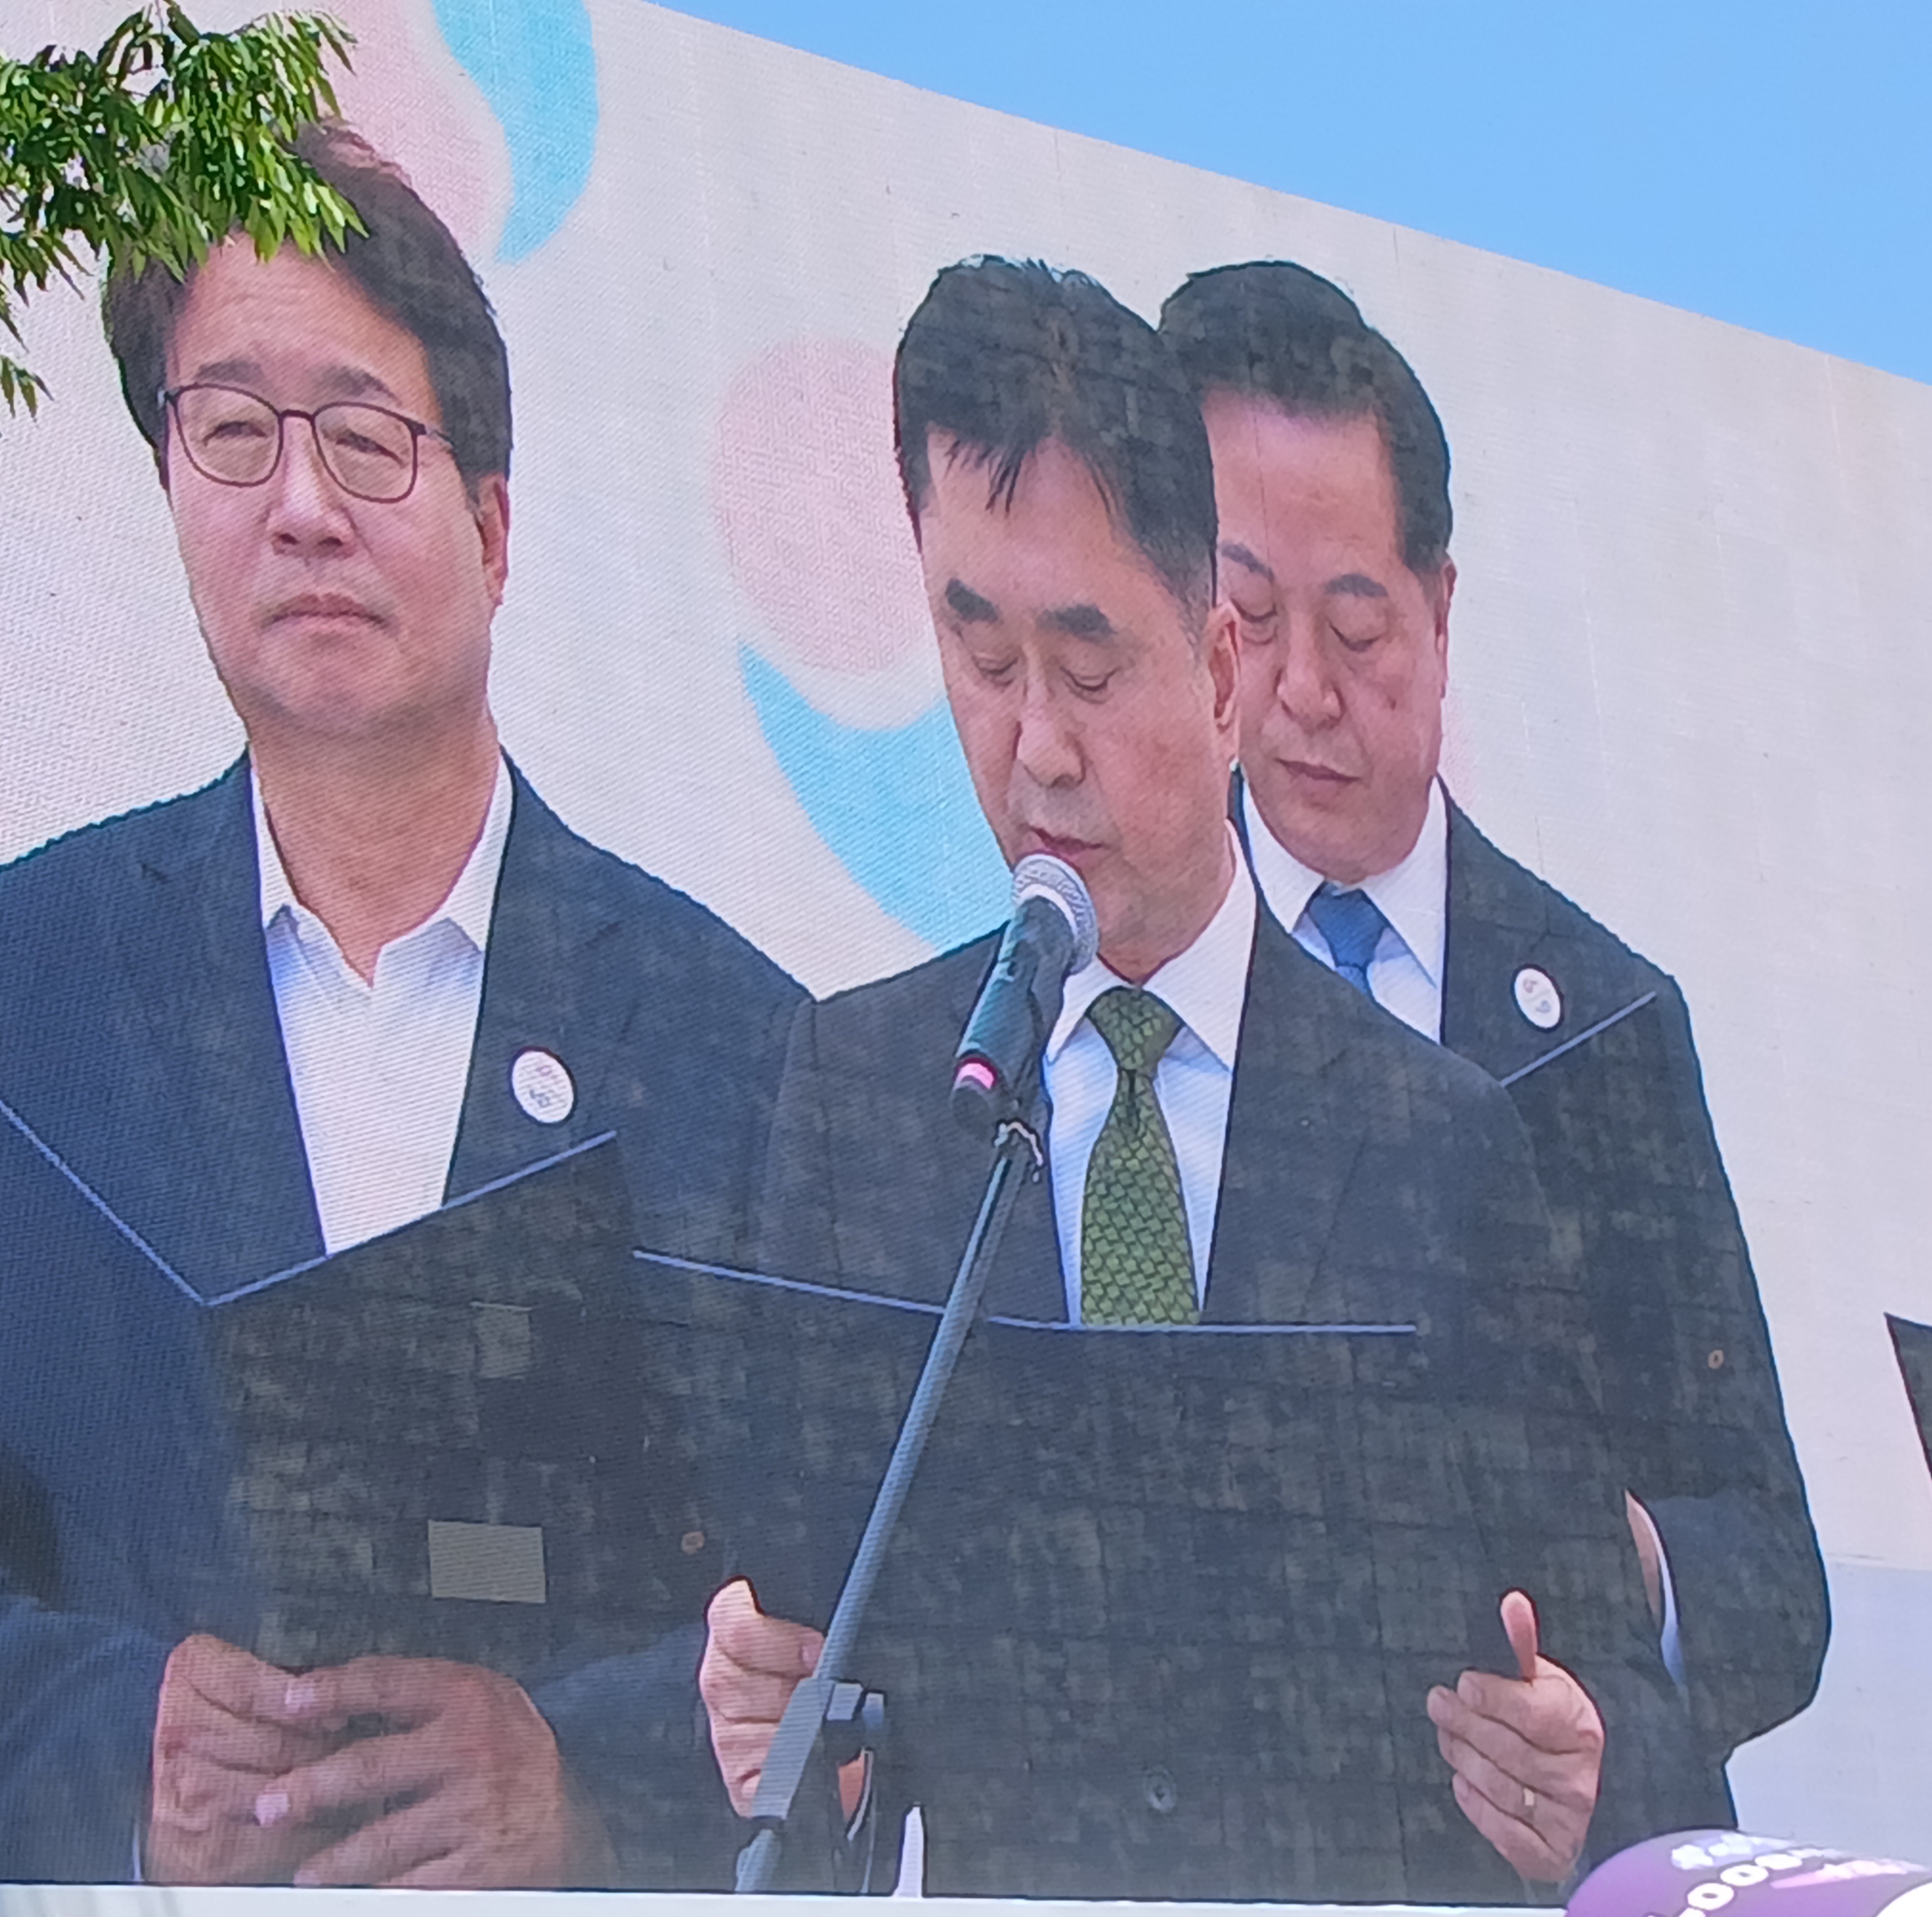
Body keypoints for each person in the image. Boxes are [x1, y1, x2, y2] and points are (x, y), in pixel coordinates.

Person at [0, 122, 800, 1888]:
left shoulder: (738, 1040)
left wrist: (579, 1785)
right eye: (233, 432)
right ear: (171, 488)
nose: (301, 506)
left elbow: (828, 1622)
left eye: (366, 440)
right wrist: (128, 1756)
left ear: (492, 529)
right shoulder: (19, 985)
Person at [704, 257, 1713, 1902]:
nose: (1037, 745)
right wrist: (780, 1737)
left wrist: (1584, 1769)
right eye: (980, 656)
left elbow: (1625, 1703)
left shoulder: (1439, 1143)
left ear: (1225, 670)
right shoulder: (864, 1102)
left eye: (1091, 666)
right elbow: (820, 1716)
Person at [1156, 259, 1826, 1798]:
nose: (1304, 693)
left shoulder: (1603, 1030)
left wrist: (1608, 1574)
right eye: (1249, 619)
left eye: (1358, 627)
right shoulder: (1116, 1008)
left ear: (1441, 614)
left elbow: (1776, 1585)